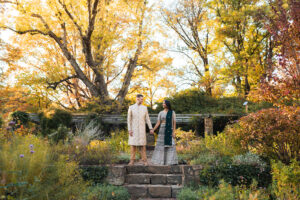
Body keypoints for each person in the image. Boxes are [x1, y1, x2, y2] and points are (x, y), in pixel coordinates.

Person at [127, 94, 154, 166]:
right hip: (133, 129)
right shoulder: (131, 107)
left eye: (142, 99)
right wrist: (129, 129)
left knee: (143, 146)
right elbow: (129, 120)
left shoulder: (144, 108)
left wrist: (150, 128)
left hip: (142, 129)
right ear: (137, 99)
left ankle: (145, 161)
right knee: (133, 146)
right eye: (141, 99)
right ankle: (132, 161)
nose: (142, 101)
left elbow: (147, 119)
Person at [151, 100, 178, 165]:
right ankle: (160, 161)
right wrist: (153, 129)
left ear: (167, 104)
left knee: (171, 145)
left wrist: (174, 132)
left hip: (169, 130)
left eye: (164, 103)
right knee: (161, 146)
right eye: (162, 103)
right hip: (162, 130)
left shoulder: (172, 112)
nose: (163, 104)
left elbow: (174, 123)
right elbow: (158, 122)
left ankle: (170, 161)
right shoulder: (160, 113)